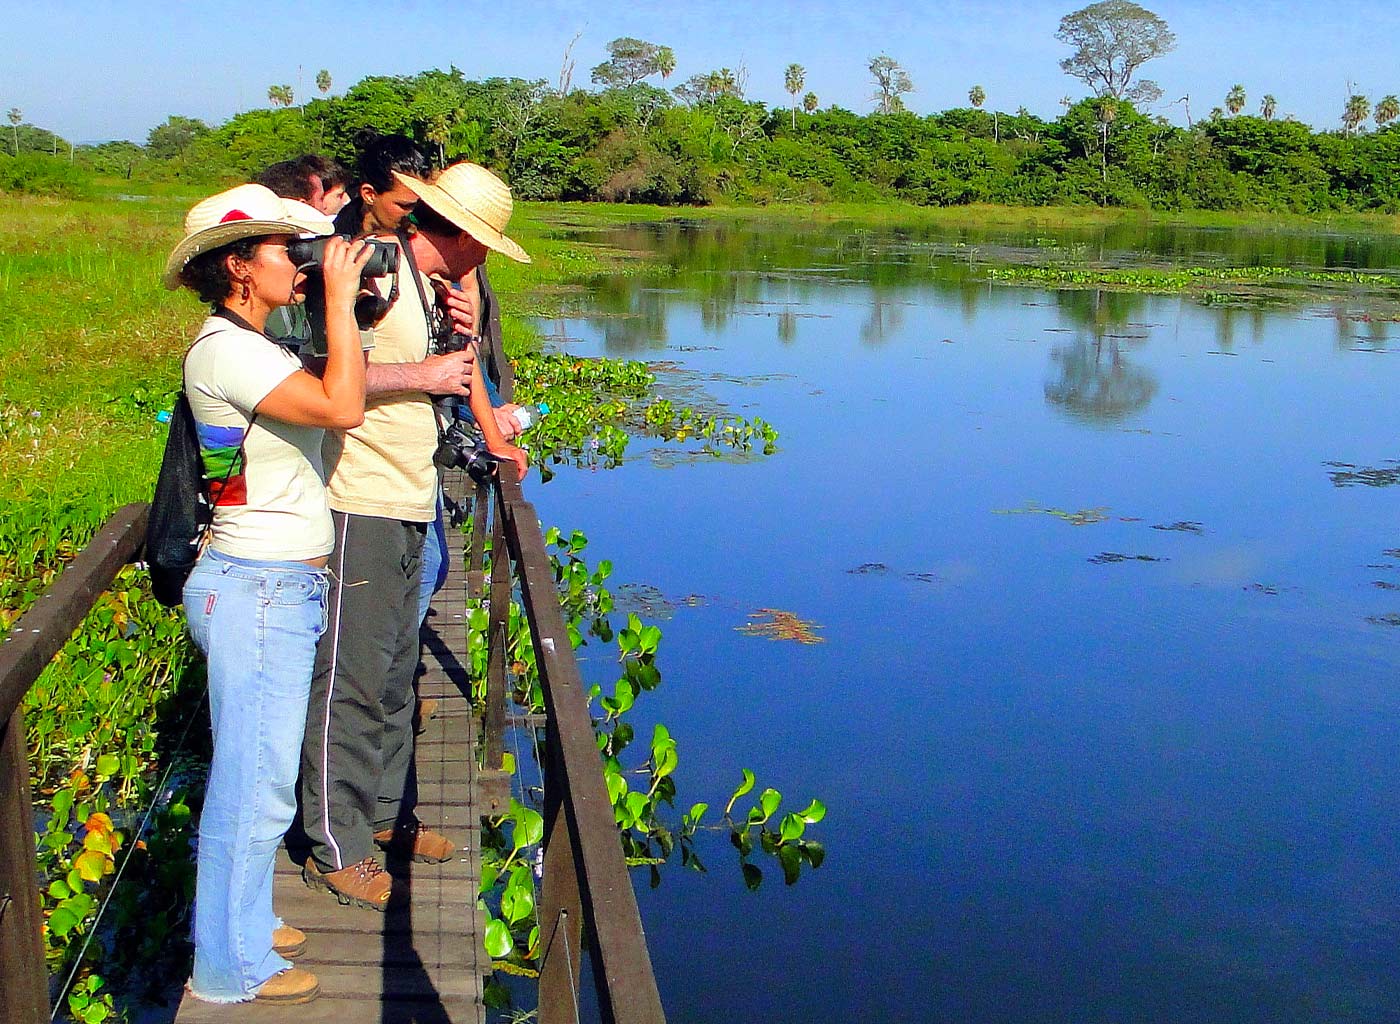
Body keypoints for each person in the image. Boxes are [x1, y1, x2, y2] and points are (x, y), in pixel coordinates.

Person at [297, 149, 527, 911]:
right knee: (350, 681)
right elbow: (316, 369)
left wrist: (460, 334)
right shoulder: (374, 273)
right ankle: (335, 846)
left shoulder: (429, 286)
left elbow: (459, 384)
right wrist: (421, 376)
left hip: (409, 496)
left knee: (397, 676)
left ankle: (388, 818)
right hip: (356, 500)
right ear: (471, 234)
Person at [166, 183, 370, 1005]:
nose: (302, 261)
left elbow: (322, 398)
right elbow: (344, 404)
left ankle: (244, 925)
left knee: (262, 780)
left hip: (273, 586)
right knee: (252, 790)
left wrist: (338, 306)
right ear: (238, 268)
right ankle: (226, 969)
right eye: (287, 250)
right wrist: (344, 302)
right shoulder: (229, 351)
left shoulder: (260, 344)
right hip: (256, 590)